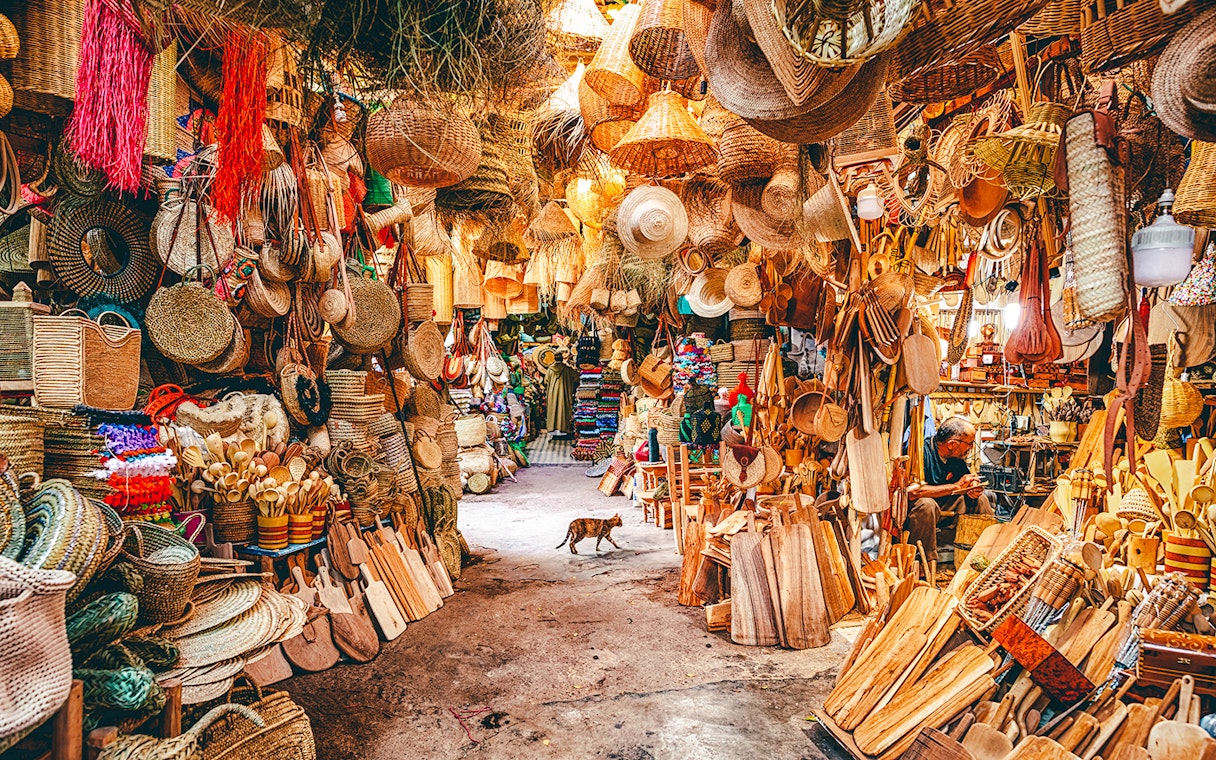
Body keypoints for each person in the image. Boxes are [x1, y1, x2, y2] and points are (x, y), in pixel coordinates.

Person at [906, 416, 994, 558]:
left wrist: (973, 486)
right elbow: (913, 491)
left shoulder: (956, 457)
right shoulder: (921, 452)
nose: (971, 448)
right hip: (920, 507)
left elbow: (967, 478)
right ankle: (925, 560)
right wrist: (956, 486)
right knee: (926, 505)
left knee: (982, 499)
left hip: (946, 504)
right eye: (969, 443)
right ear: (952, 444)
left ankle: (989, 550)